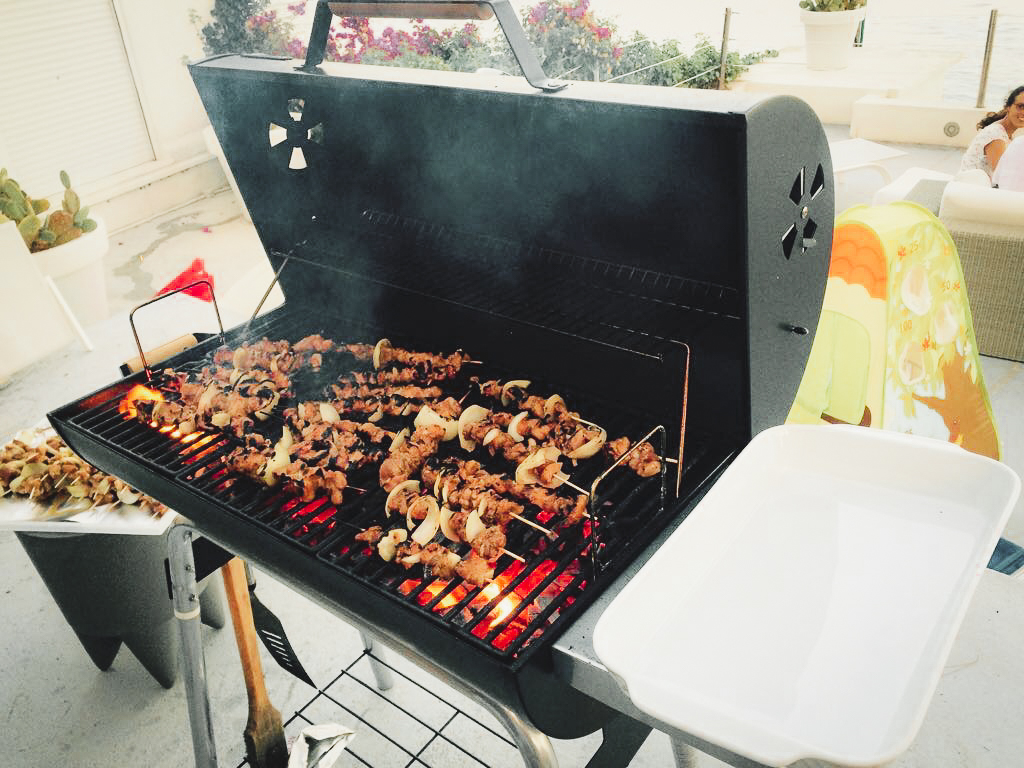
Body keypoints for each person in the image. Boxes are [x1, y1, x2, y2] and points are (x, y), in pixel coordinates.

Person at [959, 85, 1024, 180]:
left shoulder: (1006, 135)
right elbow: (1002, 176)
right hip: (971, 190)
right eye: (1021, 106)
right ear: (1008, 107)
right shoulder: (996, 135)